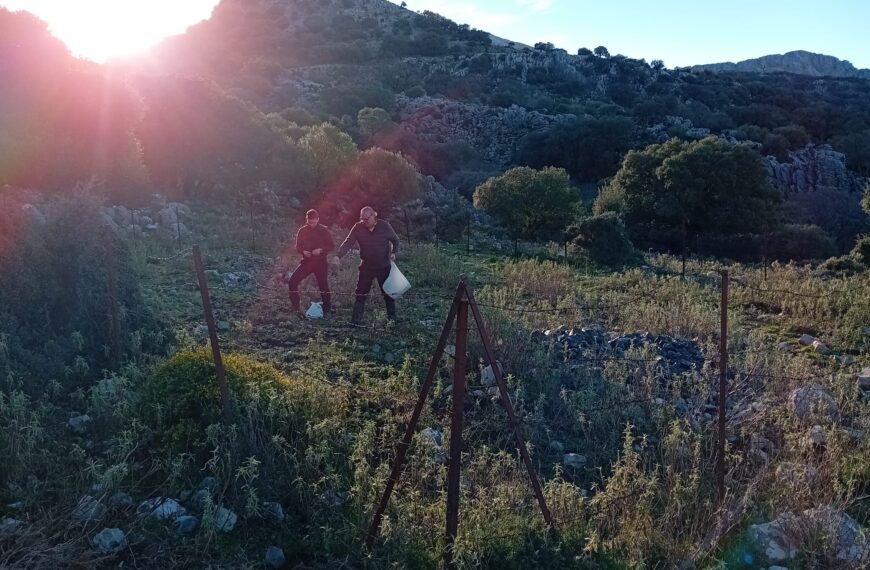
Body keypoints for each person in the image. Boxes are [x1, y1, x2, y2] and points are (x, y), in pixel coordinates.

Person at [336, 206, 401, 324]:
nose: (364, 222)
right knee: (360, 294)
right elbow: (348, 242)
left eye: (366, 219)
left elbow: (395, 239)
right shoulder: (357, 227)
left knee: (388, 294)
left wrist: (394, 252)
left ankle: (392, 320)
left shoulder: (384, 226)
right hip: (366, 267)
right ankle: (355, 322)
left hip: (384, 266)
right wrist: (338, 255)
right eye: (362, 219)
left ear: (373, 215)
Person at [287, 209, 334, 318]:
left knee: (323, 286)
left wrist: (321, 250)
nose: (311, 224)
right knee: (292, 282)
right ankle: (296, 308)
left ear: (318, 219)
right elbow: (297, 247)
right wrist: (303, 251)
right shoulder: (302, 231)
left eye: (313, 222)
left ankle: (327, 309)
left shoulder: (324, 230)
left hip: (321, 263)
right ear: (307, 220)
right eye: (309, 222)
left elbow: (331, 246)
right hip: (307, 262)